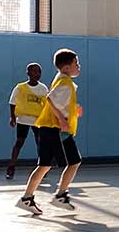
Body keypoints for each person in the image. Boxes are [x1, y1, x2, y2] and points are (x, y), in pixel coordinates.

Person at [16, 48, 82, 215]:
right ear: (66, 67)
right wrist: (61, 119)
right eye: (76, 63)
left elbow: (58, 102)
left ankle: (58, 195)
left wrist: (73, 110)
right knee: (46, 164)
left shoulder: (63, 79)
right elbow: (50, 99)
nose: (78, 66)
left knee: (72, 161)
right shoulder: (65, 83)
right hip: (54, 129)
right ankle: (29, 197)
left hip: (56, 129)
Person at [6, 63, 48, 179]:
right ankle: (11, 167)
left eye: (39, 71)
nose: (37, 74)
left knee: (40, 143)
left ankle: (42, 168)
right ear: (28, 73)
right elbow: (12, 102)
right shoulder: (20, 88)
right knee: (19, 142)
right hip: (23, 119)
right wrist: (13, 117)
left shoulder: (43, 88)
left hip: (38, 120)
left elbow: (47, 105)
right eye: (34, 71)